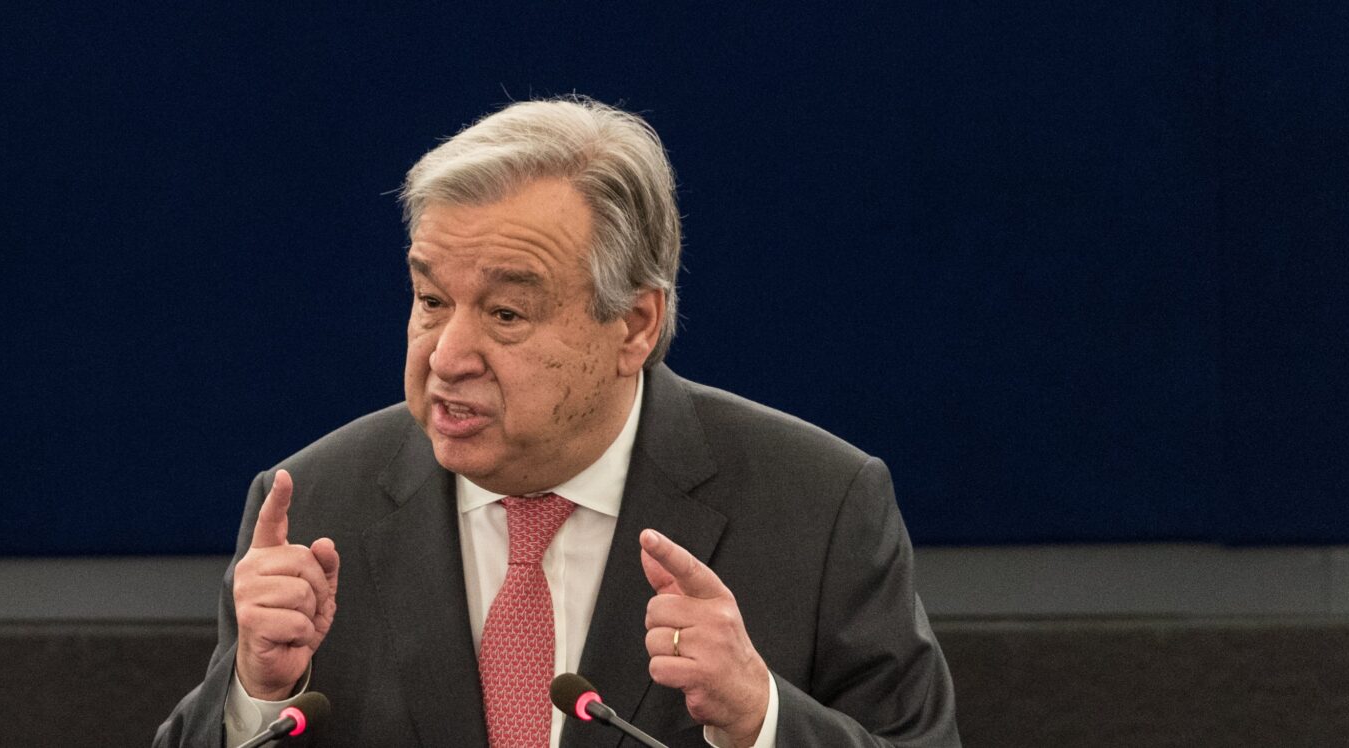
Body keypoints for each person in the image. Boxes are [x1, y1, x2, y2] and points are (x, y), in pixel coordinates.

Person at [154, 97, 958, 748]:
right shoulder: (312, 505)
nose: (447, 356)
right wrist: (258, 692)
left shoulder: (818, 507)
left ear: (635, 326)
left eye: (506, 313)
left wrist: (761, 719)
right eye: (431, 300)